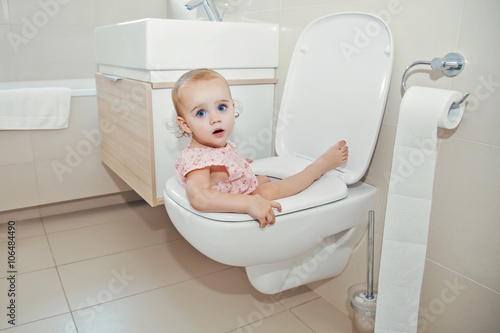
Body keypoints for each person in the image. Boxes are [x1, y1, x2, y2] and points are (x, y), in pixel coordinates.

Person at [172, 68, 348, 228]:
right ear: (185, 125)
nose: (215, 118)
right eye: (201, 113)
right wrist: (250, 203)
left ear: (233, 108)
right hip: (233, 200)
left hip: (232, 189)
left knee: (262, 178)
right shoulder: (198, 161)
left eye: (221, 107)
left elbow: (216, 163)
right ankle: (316, 169)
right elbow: (199, 197)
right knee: (269, 190)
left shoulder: (209, 145)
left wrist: (236, 162)